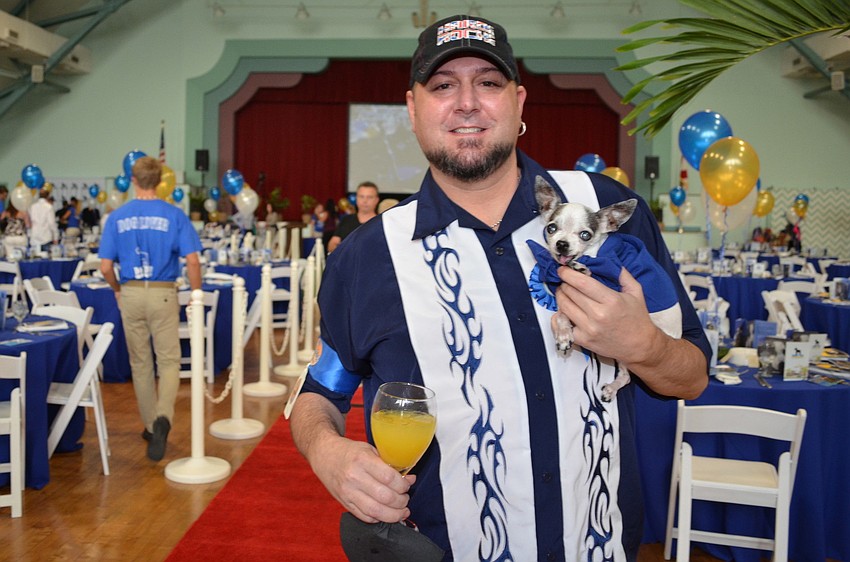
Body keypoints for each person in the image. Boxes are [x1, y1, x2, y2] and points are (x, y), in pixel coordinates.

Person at [289, 15, 710, 561]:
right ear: (413, 111)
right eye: (443, 86)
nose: (467, 102)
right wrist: (328, 453)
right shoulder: (369, 257)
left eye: (488, 82)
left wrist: (647, 347)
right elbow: (317, 396)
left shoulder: (606, 214)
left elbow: (693, 376)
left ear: (519, 102)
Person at [99, 156, 202, 461]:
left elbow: (105, 267)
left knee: (140, 363)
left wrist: (118, 290)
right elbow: (192, 260)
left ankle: (148, 424)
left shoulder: (117, 217)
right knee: (169, 361)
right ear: (160, 181)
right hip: (162, 293)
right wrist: (196, 293)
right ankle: (163, 417)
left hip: (130, 292)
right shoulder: (174, 214)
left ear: (133, 180)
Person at [326, 181, 379, 253]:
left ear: (376, 200)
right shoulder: (346, 220)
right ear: (356, 199)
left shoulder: (381, 223)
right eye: (361, 196)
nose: (365, 201)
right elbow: (332, 245)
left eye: (369, 197)